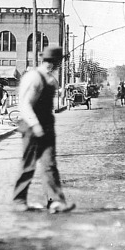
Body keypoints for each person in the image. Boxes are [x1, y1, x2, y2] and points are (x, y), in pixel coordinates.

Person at [13, 46, 75, 214]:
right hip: (32, 127)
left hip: (47, 126)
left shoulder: (50, 79)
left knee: (49, 165)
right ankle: (19, 200)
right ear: (53, 62)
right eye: (57, 62)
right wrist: (35, 125)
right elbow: (25, 104)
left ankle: (55, 202)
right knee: (29, 164)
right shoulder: (34, 77)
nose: (57, 66)